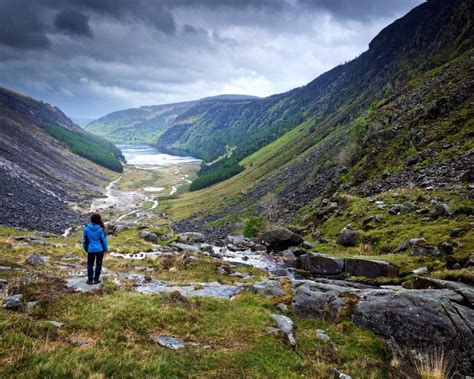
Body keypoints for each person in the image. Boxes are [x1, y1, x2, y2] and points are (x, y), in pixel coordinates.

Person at [82, 213, 108, 285]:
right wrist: (106, 249)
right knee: (98, 265)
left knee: (90, 264)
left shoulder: (86, 229)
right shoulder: (100, 229)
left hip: (90, 250)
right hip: (100, 250)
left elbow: (84, 240)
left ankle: (90, 280)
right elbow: (104, 241)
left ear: (91, 220)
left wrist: (85, 248)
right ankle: (96, 280)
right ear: (99, 220)